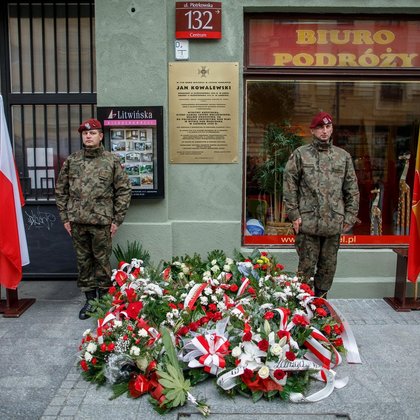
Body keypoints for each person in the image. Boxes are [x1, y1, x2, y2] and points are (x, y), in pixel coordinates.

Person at [55, 118, 132, 319]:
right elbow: (61, 190)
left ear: (100, 136)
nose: (88, 136)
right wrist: (65, 217)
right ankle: (90, 301)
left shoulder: (111, 161)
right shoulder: (72, 160)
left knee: (102, 261)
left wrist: (116, 220)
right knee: (83, 262)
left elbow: (123, 191)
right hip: (77, 222)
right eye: (85, 133)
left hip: (102, 222)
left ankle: (104, 301)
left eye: (92, 133)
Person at [283, 112, 359, 298]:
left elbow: (352, 189)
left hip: (333, 224)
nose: (324, 131)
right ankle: (303, 308)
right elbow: (289, 184)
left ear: (332, 129)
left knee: (328, 269)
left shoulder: (343, 157)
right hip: (308, 223)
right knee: (306, 269)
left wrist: (349, 216)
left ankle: (321, 306)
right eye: (320, 128)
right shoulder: (301, 154)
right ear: (313, 130)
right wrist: (294, 215)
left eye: (327, 127)